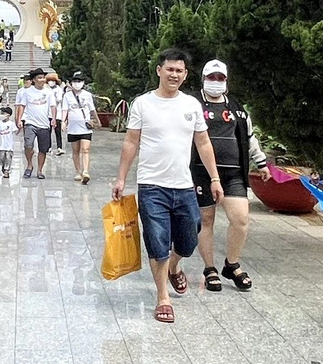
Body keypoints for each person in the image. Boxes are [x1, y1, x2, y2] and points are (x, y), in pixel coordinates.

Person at [112, 48, 223, 323]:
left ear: (185, 76)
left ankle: (175, 266)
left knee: (188, 239)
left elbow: (203, 142)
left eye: (179, 70)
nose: (174, 74)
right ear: (159, 70)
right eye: (169, 69)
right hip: (151, 186)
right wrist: (121, 178)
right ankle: (163, 297)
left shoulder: (191, 105)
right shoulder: (143, 104)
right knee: (157, 242)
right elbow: (131, 142)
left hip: (183, 186)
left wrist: (215, 178)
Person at [191, 59, 264, 291]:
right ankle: (209, 268)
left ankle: (231, 264)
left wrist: (261, 162)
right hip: (201, 173)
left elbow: (249, 136)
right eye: (211, 78)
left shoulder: (236, 108)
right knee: (206, 220)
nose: (215, 82)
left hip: (233, 174)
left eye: (220, 78)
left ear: (226, 81)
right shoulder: (192, 104)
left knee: (240, 219)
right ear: (203, 79)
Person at [15, 67, 54, 179]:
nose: (42, 80)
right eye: (39, 78)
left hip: (44, 123)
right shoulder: (27, 92)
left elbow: (53, 106)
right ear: (33, 80)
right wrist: (19, 119)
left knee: (43, 149)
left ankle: (40, 170)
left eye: (43, 78)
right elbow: (22, 106)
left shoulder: (48, 92)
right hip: (30, 122)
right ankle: (29, 165)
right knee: (28, 145)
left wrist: (54, 119)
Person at [62, 70, 97, 184]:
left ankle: (86, 171)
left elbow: (92, 109)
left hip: (85, 126)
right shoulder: (67, 96)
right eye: (75, 81)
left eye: (79, 81)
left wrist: (97, 120)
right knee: (75, 150)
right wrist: (63, 121)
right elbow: (65, 109)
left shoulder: (87, 95)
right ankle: (78, 171)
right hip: (73, 127)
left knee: (85, 149)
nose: (77, 83)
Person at [0, 106, 19, 179]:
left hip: (9, 145)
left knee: (8, 157)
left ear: (8, 115)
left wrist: (20, 128)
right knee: (1, 158)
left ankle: (7, 170)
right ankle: (3, 166)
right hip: (1, 145)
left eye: (4, 113)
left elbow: (16, 131)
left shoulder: (11, 124)